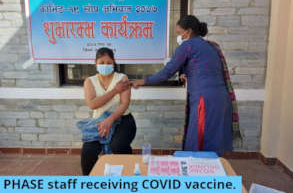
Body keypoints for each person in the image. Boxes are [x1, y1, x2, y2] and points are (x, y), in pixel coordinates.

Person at [132, 15, 240, 156]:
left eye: (179, 33)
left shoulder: (187, 46)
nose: (179, 37)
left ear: (188, 32)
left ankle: (199, 175)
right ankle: (213, 173)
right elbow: (202, 67)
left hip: (205, 100)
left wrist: (143, 81)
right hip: (221, 99)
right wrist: (185, 73)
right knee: (215, 140)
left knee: (200, 141)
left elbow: (167, 72)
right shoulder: (211, 47)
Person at [81, 47, 137, 175]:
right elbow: (92, 104)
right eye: (101, 63)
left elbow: (124, 104)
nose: (105, 65)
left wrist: (110, 119)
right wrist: (115, 91)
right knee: (88, 151)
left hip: (123, 119)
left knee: (118, 146)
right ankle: (88, 183)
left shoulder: (122, 78)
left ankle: (130, 175)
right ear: (95, 63)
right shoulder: (90, 81)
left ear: (113, 63)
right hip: (99, 122)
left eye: (109, 63)